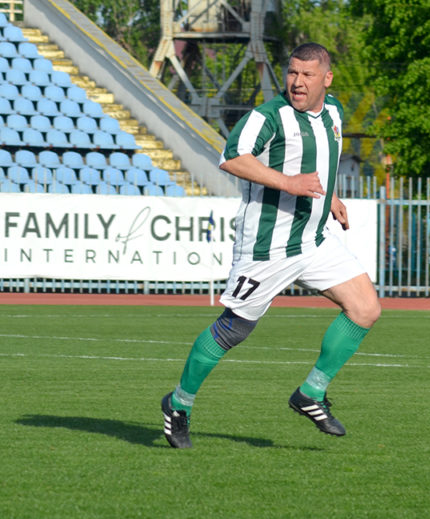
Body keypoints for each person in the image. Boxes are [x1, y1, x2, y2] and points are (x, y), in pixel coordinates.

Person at [161, 43, 381, 448]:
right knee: (234, 329)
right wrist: (288, 183)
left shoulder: (333, 111)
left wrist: (330, 196)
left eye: (307, 75)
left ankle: (311, 393)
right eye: (292, 73)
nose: (297, 82)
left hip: (313, 239)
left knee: (366, 308)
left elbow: (322, 159)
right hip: (268, 246)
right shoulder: (268, 117)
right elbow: (231, 158)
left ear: (327, 79)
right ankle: (178, 403)